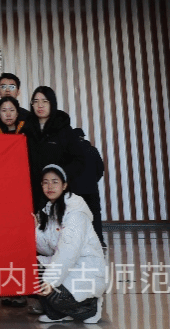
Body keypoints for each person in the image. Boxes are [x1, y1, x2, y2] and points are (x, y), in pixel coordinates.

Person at [34, 165, 105, 324]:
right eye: (45, 182)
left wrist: (50, 280)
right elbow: (47, 249)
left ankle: (90, 307)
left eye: (55, 182)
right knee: (30, 270)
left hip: (85, 271)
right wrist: (35, 229)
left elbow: (68, 251)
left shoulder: (75, 213)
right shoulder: (49, 210)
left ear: (64, 185)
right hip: (68, 268)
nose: (50, 186)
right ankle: (58, 313)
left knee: (53, 291)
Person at [25, 86, 85, 211]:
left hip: (58, 194)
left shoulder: (64, 130)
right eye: (36, 101)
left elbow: (79, 160)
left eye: (45, 101)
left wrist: (60, 177)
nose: (40, 105)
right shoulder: (25, 129)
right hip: (32, 192)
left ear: (52, 103)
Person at [72, 129, 106, 247]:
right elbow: (100, 169)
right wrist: (93, 181)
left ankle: (78, 242)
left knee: (76, 215)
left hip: (75, 190)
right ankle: (99, 240)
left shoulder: (71, 151)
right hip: (92, 189)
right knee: (95, 214)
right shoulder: (93, 150)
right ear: (83, 137)